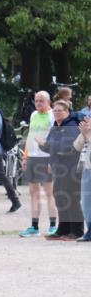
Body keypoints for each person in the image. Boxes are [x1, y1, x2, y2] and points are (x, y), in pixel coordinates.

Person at [38, 99, 84, 240]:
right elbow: (50, 148)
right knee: (60, 199)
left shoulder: (71, 126)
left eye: (60, 110)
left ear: (67, 112)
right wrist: (42, 145)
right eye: (55, 110)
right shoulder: (55, 127)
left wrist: (48, 143)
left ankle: (77, 231)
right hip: (59, 169)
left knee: (72, 199)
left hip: (71, 169)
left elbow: (68, 147)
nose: (57, 113)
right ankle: (63, 229)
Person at [19, 91, 58, 237]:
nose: (38, 103)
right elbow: (30, 135)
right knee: (33, 193)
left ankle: (53, 225)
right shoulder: (34, 115)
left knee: (49, 193)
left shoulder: (53, 115)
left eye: (41, 100)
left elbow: (56, 138)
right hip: (33, 157)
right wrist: (25, 156)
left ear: (48, 101)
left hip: (46, 157)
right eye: (36, 100)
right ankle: (34, 226)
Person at [74, 118, 91, 242]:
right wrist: (83, 134)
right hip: (86, 168)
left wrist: (86, 135)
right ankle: (89, 230)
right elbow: (77, 146)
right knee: (85, 202)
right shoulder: (87, 129)